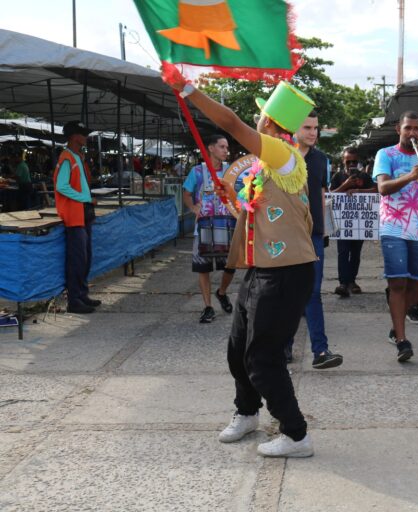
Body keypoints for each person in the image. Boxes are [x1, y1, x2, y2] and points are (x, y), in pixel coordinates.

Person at [164, 72, 318, 458]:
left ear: (269, 121)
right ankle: (247, 412)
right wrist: (232, 199)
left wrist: (188, 90)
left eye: (261, 116)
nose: (256, 122)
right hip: (261, 269)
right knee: (238, 350)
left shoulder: (282, 154)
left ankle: (296, 434)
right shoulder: (269, 166)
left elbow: (230, 122)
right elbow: (259, 219)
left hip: (286, 272)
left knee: (263, 358)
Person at [373, 111, 418, 362]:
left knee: (415, 281)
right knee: (398, 283)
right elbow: (383, 188)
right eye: (408, 128)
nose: (412, 133)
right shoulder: (386, 154)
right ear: (398, 130)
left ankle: (397, 323)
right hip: (393, 227)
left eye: (416, 129)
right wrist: (411, 176)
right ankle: (403, 342)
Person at [284, 111, 343, 369]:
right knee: (286, 293)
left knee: (313, 292)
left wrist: (325, 229)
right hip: (287, 233)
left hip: (314, 235)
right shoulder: (283, 157)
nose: (313, 133)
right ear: (294, 129)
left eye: (316, 128)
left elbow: (321, 194)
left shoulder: (321, 160)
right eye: (307, 127)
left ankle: (320, 351)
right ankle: (283, 347)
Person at [182, 133, 236, 324]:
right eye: (222, 147)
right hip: (203, 226)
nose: (226, 151)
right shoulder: (197, 171)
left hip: (227, 224)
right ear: (211, 148)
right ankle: (208, 306)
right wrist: (193, 207)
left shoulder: (232, 171)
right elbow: (187, 193)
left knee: (230, 265)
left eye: (227, 147)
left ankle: (221, 292)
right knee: (202, 267)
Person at [54, 121, 102, 314]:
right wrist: (86, 198)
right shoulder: (67, 157)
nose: (86, 137)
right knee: (77, 259)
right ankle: (74, 300)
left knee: (85, 257)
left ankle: (82, 294)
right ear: (75, 137)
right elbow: (61, 186)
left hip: (83, 213)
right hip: (74, 215)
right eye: (83, 134)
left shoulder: (77, 157)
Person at [331, 146, 376, 297]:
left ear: (358, 162)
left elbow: (376, 191)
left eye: (354, 162)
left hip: (360, 222)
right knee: (343, 252)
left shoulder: (365, 177)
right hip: (342, 222)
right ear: (343, 161)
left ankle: (352, 281)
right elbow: (329, 195)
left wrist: (358, 191)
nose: (351, 165)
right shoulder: (337, 176)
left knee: (355, 253)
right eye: (348, 162)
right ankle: (343, 283)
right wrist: (346, 186)